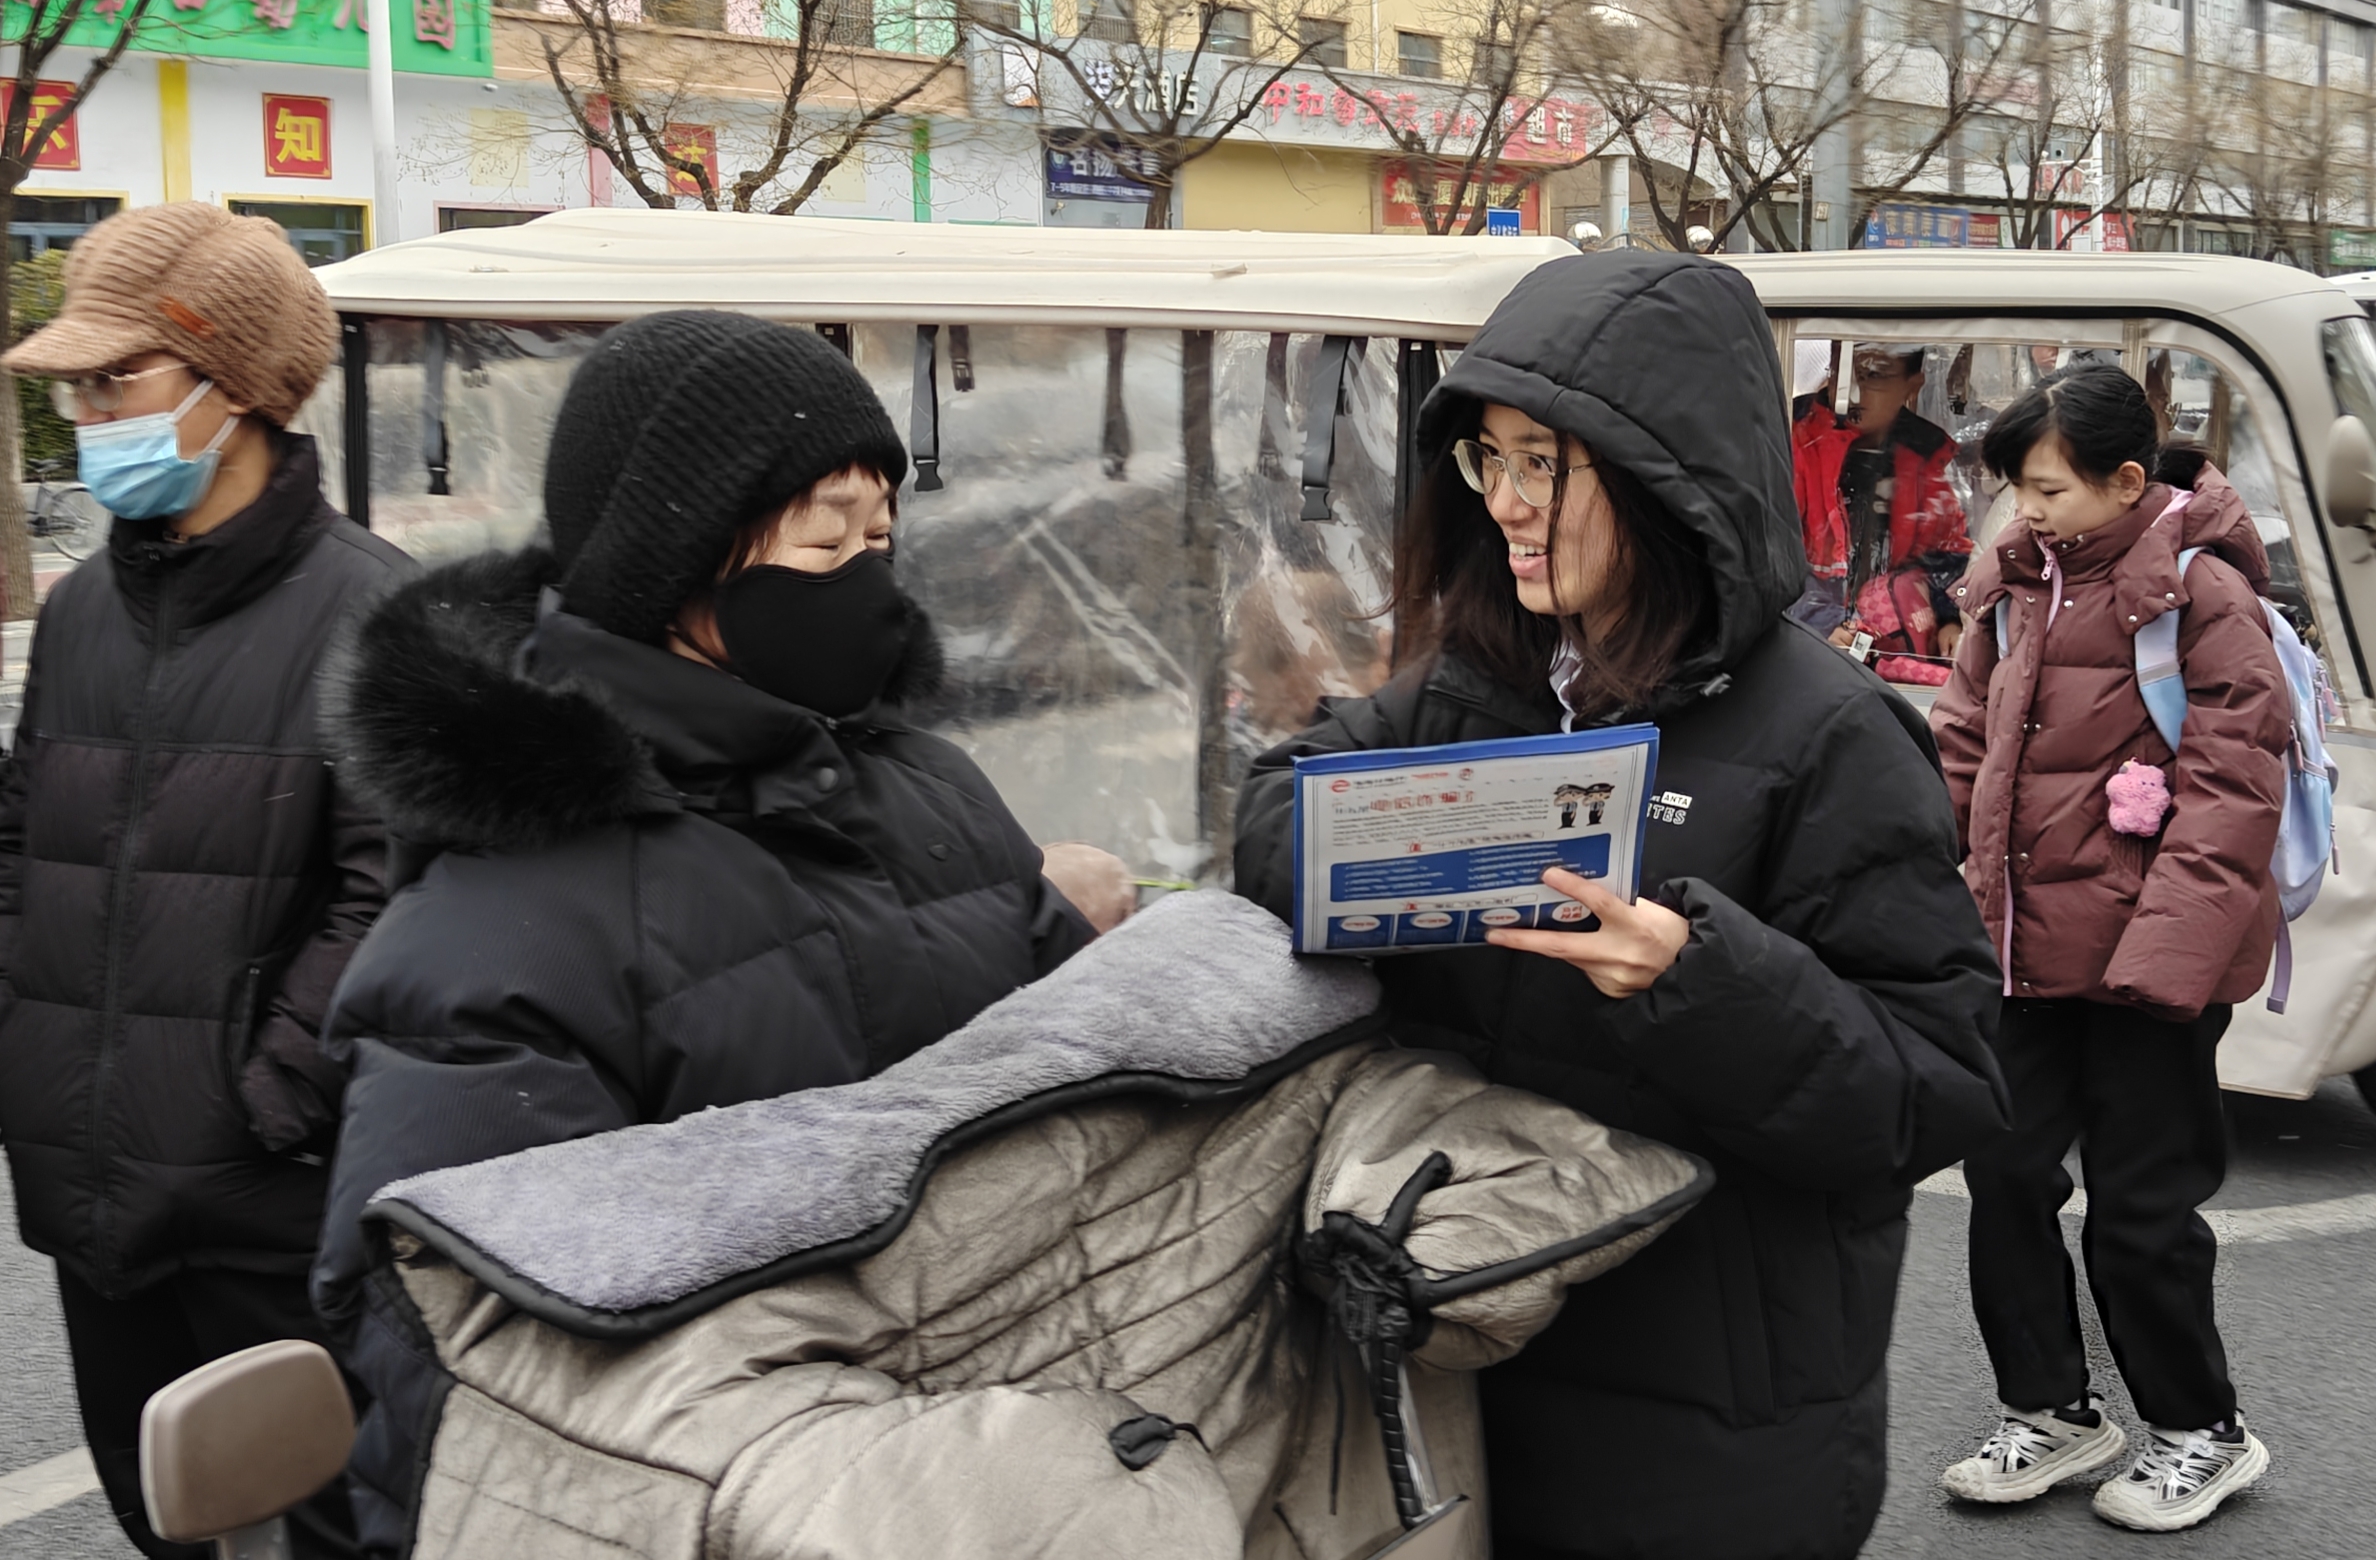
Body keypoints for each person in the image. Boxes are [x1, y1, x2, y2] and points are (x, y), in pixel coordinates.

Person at [1233, 252, 2009, 1560]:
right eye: (1489, 459)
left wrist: (1698, 982)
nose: (1507, 503)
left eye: (1545, 462)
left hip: (1706, 1425)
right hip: (1454, 1357)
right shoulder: (1473, 684)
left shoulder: (1832, 734)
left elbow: (1938, 1088)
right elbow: (1270, 818)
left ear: (1668, 474)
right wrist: (1411, 850)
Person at [312, 309, 1126, 1555]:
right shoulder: (499, 928)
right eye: (826, 538)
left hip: (1013, 1477)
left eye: (881, 536)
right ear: (675, 559)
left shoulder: (928, 785)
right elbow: (462, 1363)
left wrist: (1065, 932)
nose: (870, 577)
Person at [0, 204, 408, 1558]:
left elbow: (392, 896)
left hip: (264, 1207)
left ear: (232, 388)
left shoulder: (375, 615)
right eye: (73, 386)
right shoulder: (80, 611)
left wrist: (265, 1095)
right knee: (161, 1519)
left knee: (323, 1529)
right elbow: (22, 848)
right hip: (86, 1197)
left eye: (114, 379)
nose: (85, 414)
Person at [1930, 368, 2289, 1532]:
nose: (2026, 510)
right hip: (2020, 949)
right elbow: (1962, 741)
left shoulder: (2203, 592)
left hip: (2153, 965)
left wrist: (2165, 963)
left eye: (2048, 489)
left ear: (2127, 480)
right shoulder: (2013, 580)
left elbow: (2235, 788)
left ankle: (2200, 1428)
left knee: (2141, 1211)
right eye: (2016, 489)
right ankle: (2049, 1408)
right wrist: (1939, 894)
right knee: (2005, 1178)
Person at [1792, 343, 1972, 658]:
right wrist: (1819, 624)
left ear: (1913, 386)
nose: (1853, 392)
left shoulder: (1928, 456)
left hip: (1898, 643)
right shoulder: (1794, 437)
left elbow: (1947, 551)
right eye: (1842, 373)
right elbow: (1768, 557)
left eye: (1874, 375)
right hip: (1807, 641)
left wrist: (1949, 619)